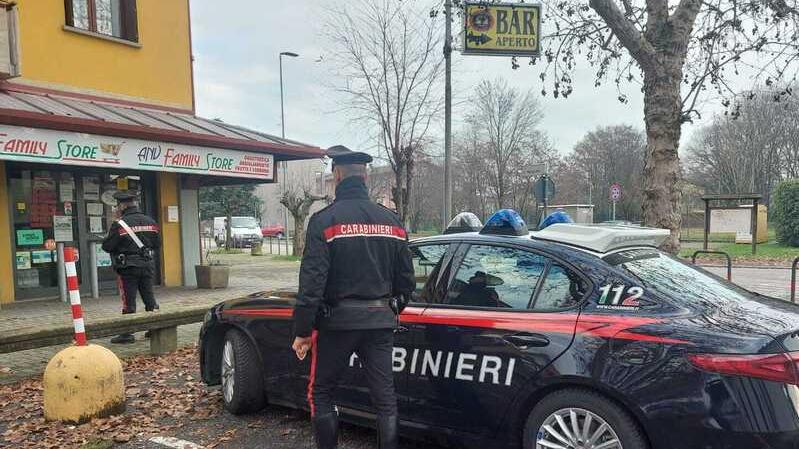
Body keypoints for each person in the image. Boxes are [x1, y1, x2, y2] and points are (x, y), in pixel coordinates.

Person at [292, 145, 415, 449]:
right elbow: (406, 281)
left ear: (336, 175)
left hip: (338, 324)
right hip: (380, 323)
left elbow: (312, 283)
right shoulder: (392, 222)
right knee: (385, 400)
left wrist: (303, 331)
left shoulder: (324, 221)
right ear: (365, 176)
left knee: (321, 393)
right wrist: (392, 307)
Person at [102, 190, 161, 344]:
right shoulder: (151, 221)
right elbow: (157, 244)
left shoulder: (120, 224)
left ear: (121, 205)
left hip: (128, 267)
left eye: (117, 206)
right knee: (149, 297)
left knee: (129, 299)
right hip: (147, 264)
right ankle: (155, 328)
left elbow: (108, 246)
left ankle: (127, 333)